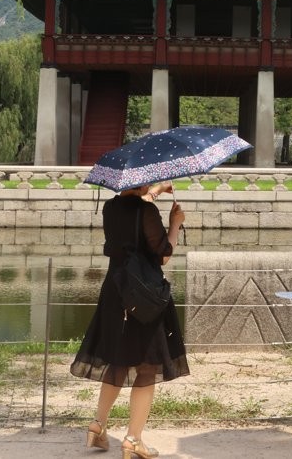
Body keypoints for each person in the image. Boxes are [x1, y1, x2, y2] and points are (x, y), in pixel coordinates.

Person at [71, 182, 189, 459]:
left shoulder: (111, 207)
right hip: (142, 296)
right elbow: (164, 255)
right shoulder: (147, 212)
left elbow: (133, 213)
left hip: (115, 292)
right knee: (146, 368)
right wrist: (175, 223)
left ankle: (97, 425)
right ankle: (133, 439)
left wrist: (155, 192)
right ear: (143, 180)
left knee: (118, 361)